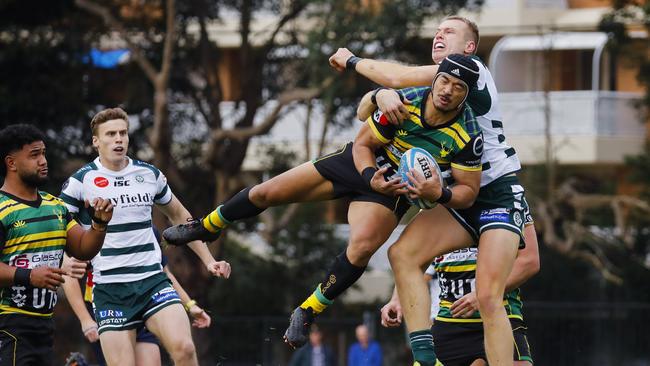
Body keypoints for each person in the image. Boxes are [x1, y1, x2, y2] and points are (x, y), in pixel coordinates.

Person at [162, 54, 484, 349]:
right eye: (444, 81)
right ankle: (208, 226)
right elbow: (362, 144)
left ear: (466, 94)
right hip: (361, 163)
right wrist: (369, 172)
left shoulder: (467, 133)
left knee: (362, 247)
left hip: (390, 189)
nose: (447, 90)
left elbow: (468, 190)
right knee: (266, 192)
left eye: (458, 87)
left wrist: (437, 193)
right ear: (434, 79)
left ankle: (308, 310)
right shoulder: (405, 103)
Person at [333, 16, 540, 365]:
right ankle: (424, 357)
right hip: (458, 193)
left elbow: (398, 76)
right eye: (437, 30)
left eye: (449, 31)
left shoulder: (470, 69)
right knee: (402, 255)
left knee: (489, 296)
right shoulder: (437, 87)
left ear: (470, 47)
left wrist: (351, 60)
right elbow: (372, 108)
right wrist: (378, 95)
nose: (439, 35)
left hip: (497, 193)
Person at [58, 108, 231, 366]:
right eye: (111, 134)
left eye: (123, 133)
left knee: (184, 348)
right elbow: (56, 227)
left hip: (152, 282)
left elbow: (181, 218)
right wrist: (63, 260)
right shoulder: (81, 181)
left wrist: (207, 260)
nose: (118, 139)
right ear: (96, 141)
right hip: (110, 290)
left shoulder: (149, 174)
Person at [0, 124, 114, 365]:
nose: (43, 161)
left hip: (44, 325)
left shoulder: (56, 207)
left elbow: (83, 248)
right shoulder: (2, 210)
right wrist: (29, 276)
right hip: (8, 324)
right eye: (34, 155)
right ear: (11, 163)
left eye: (43, 153)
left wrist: (99, 225)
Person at [381, 206, 539, 365]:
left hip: (501, 315)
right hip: (450, 319)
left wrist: (483, 294)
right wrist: (397, 298)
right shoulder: (432, 209)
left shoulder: (509, 200)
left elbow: (529, 262)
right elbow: (413, 262)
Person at [61, 228, 219, 366]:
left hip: (147, 302)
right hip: (109, 307)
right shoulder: (92, 231)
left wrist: (190, 305)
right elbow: (68, 274)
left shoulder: (147, 227)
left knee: (179, 351)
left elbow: (164, 274)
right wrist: (85, 319)